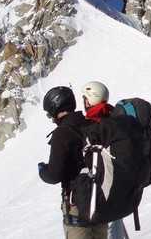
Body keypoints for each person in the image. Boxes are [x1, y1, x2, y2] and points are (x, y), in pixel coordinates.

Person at [38, 86, 109, 239]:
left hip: (77, 205)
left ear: (55, 108)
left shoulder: (62, 133)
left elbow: (54, 175)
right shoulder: (93, 125)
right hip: (100, 202)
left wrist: (42, 170)